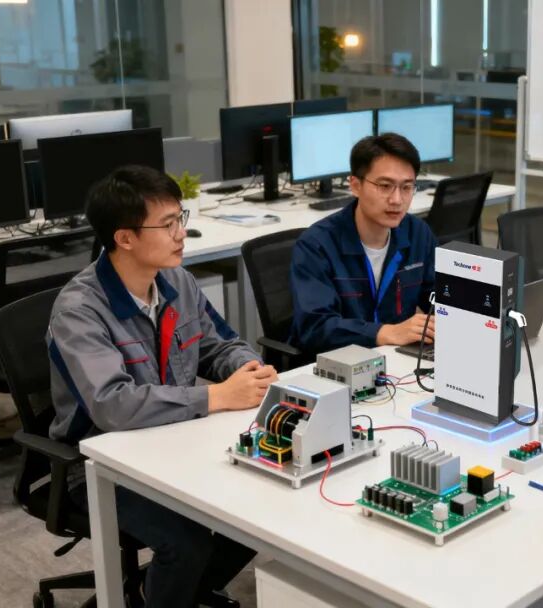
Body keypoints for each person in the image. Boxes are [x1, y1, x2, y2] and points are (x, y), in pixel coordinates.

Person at [48, 165, 277, 608]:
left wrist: (249, 369)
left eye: (180, 218)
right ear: (125, 238)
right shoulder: (79, 311)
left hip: (175, 441)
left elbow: (220, 344)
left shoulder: (177, 282)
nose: (181, 233)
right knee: (186, 544)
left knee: (260, 509)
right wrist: (215, 396)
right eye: (167, 224)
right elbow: (111, 405)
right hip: (99, 464)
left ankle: (175, 593)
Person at [289, 133, 437, 353]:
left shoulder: (417, 234)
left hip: (396, 358)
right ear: (355, 185)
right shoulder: (317, 245)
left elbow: (437, 298)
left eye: (407, 187)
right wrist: (384, 332)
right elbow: (316, 327)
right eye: (385, 186)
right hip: (335, 364)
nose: (397, 200)